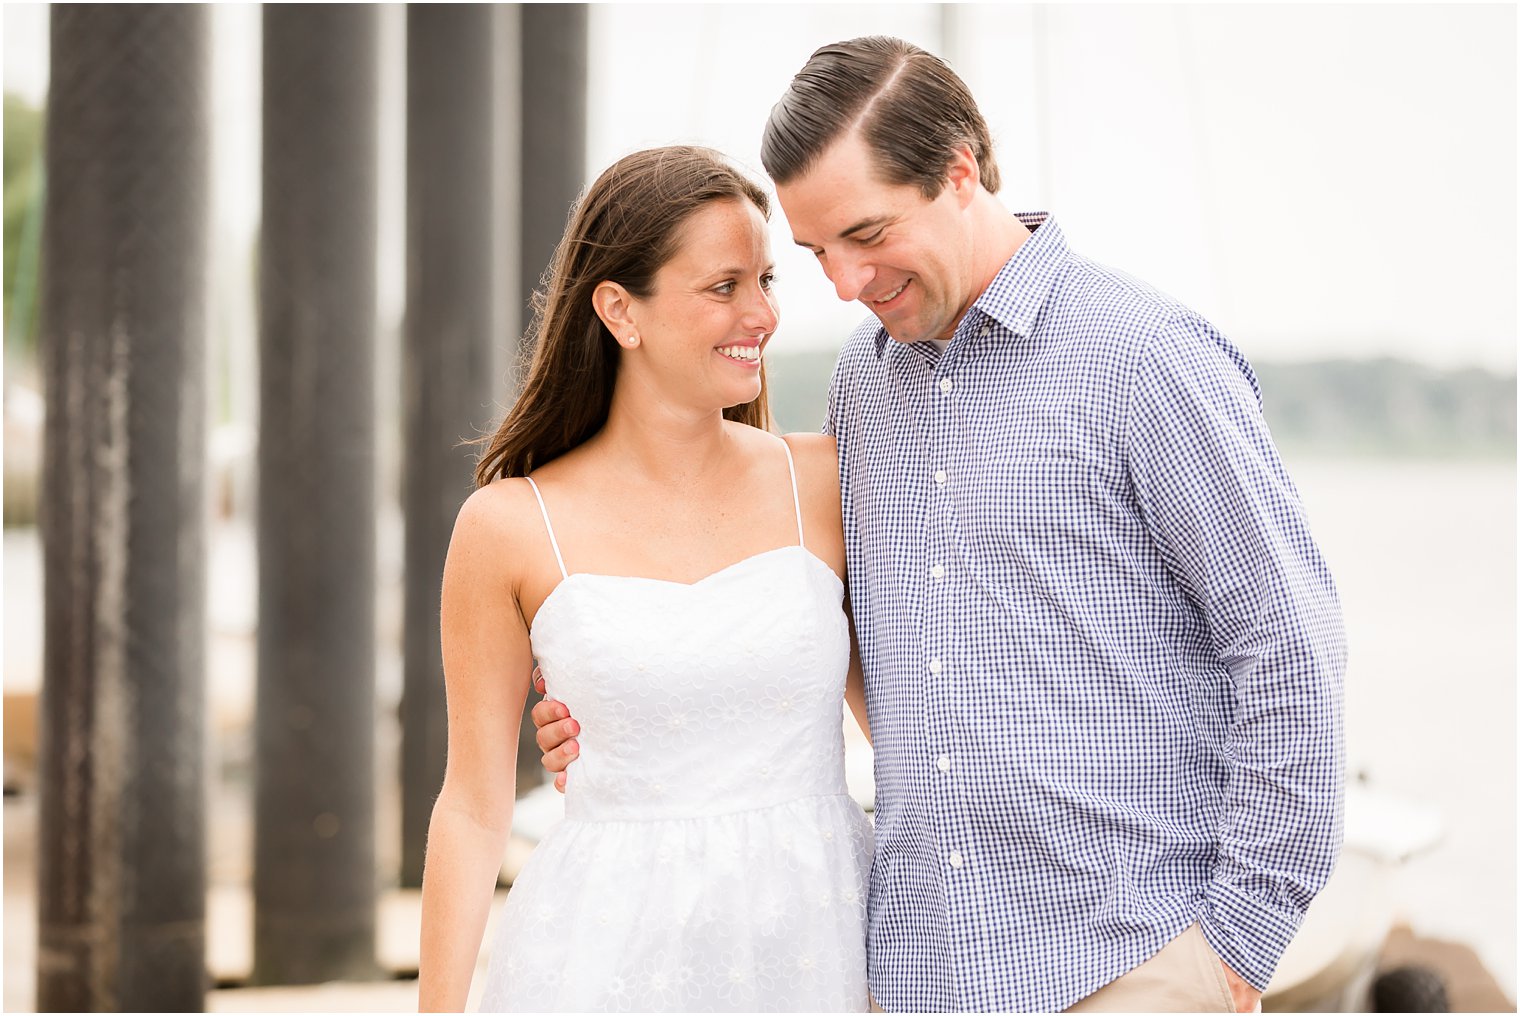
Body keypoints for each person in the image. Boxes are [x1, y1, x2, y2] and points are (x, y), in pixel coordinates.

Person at [533, 36, 1346, 1013]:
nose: (843, 282)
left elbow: (1285, 643)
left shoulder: (1144, 359)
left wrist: (1234, 943)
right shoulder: (861, 390)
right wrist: (624, 707)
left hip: (1128, 960)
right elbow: (823, 637)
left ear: (959, 171)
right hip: (918, 969)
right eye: (815, 252)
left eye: (866, 234)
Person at [415, 145, 874, 1013]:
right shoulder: (508, 526)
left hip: (825, 943)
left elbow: (916, 733)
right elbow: (473, 808)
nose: (762, 315)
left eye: (767, 280)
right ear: (620, 310)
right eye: (723, 286)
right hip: (602, 957)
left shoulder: (822, 481)